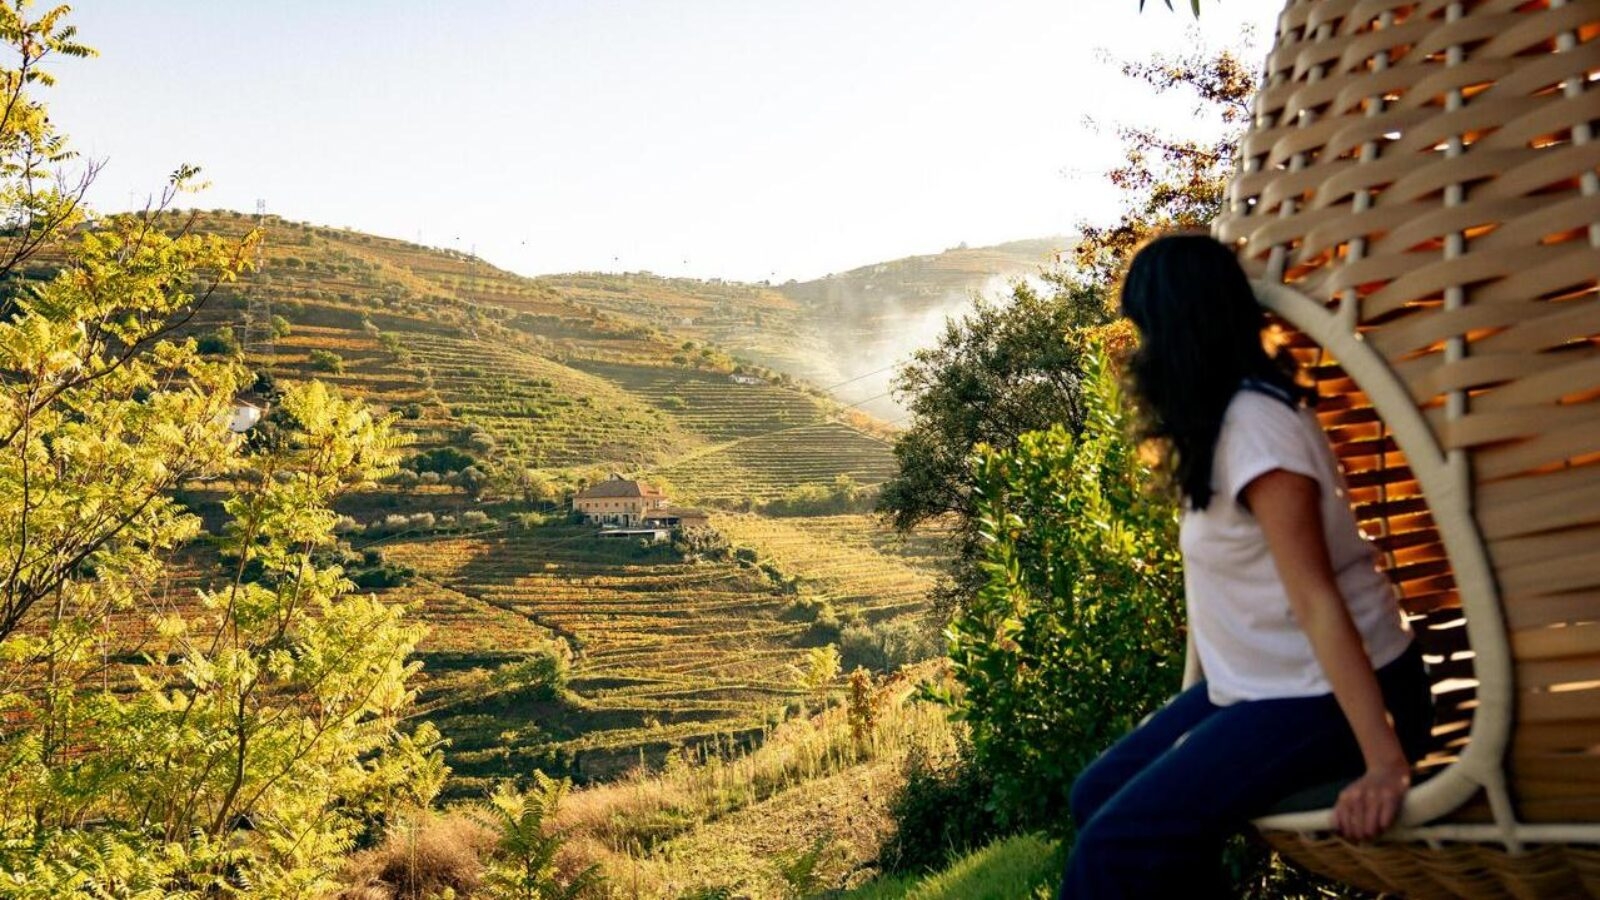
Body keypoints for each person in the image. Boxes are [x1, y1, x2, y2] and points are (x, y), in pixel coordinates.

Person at [1058, 233, 1434, 899]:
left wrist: (1385, 763)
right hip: (1274, 687)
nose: (1138, 354)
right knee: (1098, 795)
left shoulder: (1258, 429)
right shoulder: (1218, 424)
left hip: (1341, 695)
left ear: (1179, 330)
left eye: (1145, 331)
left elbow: (1318, 600)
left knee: (1112, 853)